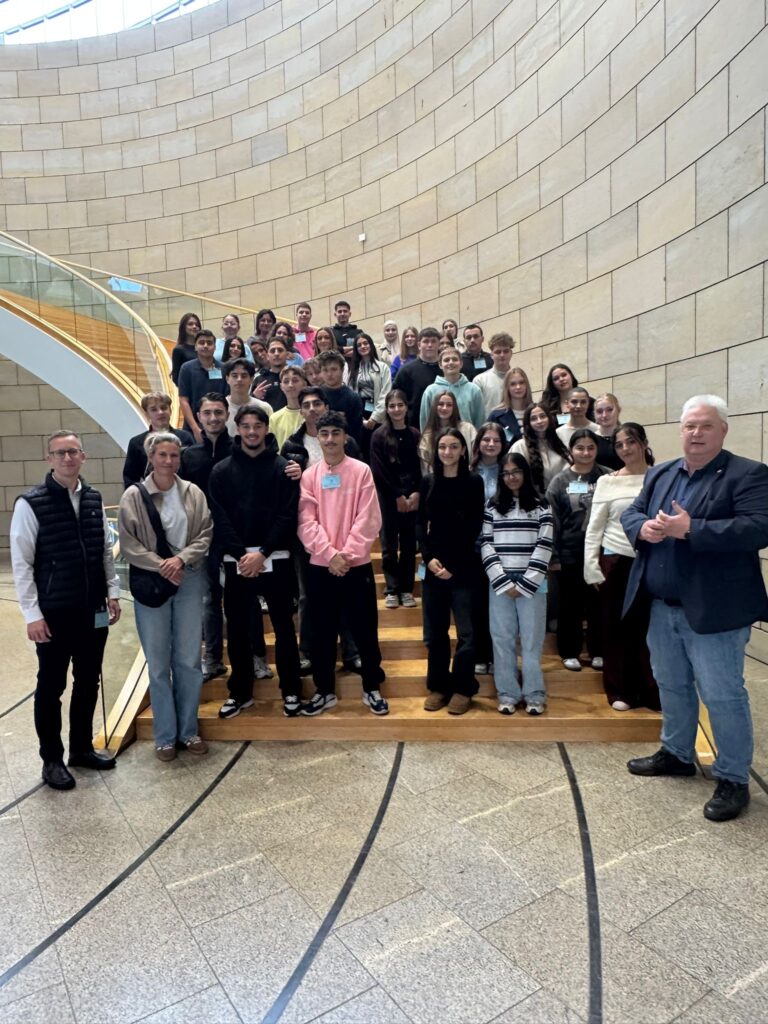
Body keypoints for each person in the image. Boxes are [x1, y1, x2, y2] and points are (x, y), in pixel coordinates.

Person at [622, 396, 768, 822]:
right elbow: (632, 513)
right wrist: (643, 528)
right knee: (672, 685)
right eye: (689, 426)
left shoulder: (749, 474)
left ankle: (732, 777)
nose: (696, 434)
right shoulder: (663, 473)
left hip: (714, 612)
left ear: (723, 430)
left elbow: (759, 528)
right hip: (662, 606)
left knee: (722, 695)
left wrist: (693, 529)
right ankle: (677, 752)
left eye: (705, 426)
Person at [10, 431, 121, 789]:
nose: (68, 458)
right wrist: (32, 614)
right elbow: (22, 563)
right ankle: (52, 759)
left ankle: (81, 749)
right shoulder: (31, 503)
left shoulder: (93, 498)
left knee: (89, 681)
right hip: (54, 613)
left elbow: (105, 551)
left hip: (93, 610)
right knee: (52, 687)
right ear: (50, 459)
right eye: (61, 453)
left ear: (83, 456)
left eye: (73, 451)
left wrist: (113, 592)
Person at [118, 433, 211, 760]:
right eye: (162, 455)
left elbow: (205, 534)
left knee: (187, 660)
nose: (169, 461)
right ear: (151, 457)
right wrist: (162, 565)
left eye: (174, 455)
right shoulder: (133, 496)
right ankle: (165, 736)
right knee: (158, 664)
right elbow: (129, 544)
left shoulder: (193, 493)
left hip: (188, 579)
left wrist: (180, 560)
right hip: (153, 583)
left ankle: (189, 730)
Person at [208, 407, 303, 718]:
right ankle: (241, 692)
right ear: (238, 429)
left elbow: (288, 515)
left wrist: (262, 553)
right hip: (237, 561)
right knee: (236, 630)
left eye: (257, 426)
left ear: (266, 429)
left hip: (275, 558)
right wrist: (241, 555)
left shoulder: (283, 468)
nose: (251, 432)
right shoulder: (221, 471)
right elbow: (218, 517)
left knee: (284, 629)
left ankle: (291, 690)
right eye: (246, 426)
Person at [297, 411, 388, 716]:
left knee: (364, 629)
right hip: (322, 566)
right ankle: (324, 691)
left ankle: (372, 688)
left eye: (336, 433)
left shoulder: (361, 472)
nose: (330, 439)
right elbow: (306, 521)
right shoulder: (310, 476)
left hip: (355, 564)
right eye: (324, 434)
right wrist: (329, 554)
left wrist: (345, 555)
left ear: (345, 436)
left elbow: (369, 517)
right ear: (317, 437)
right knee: (322, 632)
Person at [282, 387, 362, 675]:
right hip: (309, 535)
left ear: (327, 406)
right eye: (306, 405)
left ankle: (351, 652)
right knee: (307, 597)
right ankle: (308, 652)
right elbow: (288, 492)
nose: (312, 408)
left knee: (346, 596)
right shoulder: (292, 445)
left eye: (317, 403)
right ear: (300, 410)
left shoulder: (348, 442)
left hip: (342, 533)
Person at [584, 423, 659, 712]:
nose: (625, 449)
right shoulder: (608, 481)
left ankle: (652, 691)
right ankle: (620, 691)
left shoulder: (660, 476)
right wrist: (591, 566)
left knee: (651, 631)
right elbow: (595, 527)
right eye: (619, 445)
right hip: (615, 561)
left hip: (651, 561)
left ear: (643, 442)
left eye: (631, 442)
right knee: (615, 629)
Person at [417, 428, 485, 714]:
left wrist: (453, 568)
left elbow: (473, 526)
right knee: (436, 632)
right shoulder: (429, 481)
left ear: (463, 450)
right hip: (434, 566)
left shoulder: (474, 482)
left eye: (453, 446)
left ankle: (462, 687)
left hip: (464, 567)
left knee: (467, 634)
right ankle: (439, 686)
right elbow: (420, 524)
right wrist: (429, 558)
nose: (447, 452)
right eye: (443, 447)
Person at [482, 452, 554, 715]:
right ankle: (508, 693)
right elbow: (486, 544)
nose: (511, 477)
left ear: (525, 473)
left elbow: (544, 544)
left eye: (516, 472)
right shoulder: (492, 506)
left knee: (532, 641)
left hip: (532, 584)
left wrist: (525, 583)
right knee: (502, 639)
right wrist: (501, 580)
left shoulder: (541, 505)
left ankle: (534, 694)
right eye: (506, 473)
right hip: (499, 583)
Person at [179, 394, 233, 682]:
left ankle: (249, 655)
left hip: (235, 537)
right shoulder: (187, 456)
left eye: (218, 412)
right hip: (201, 539)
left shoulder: (238, 450)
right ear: (198, 416)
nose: (213, 418)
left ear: (227, 415)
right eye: (208, 413)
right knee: (209, 599)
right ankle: (213, 657)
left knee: (241, 599)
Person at [546, 428, 609, 671]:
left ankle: (598, 651)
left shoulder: (607, 476)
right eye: (579, 448)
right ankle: (569, 651)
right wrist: (554, 555)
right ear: (571, 450)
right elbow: (553, 521)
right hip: (569, 553)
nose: (585, 452)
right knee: (569, 606)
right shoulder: (560, 481)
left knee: (598, 604)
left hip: (601, 554)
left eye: (590, 447)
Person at [370, 390, 421, 610]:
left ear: (406, 407)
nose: (396, 409)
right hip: (389, 497)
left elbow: (421, 467)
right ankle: (392, 588)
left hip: (413, 497)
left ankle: (406, 589)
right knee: (389, 545)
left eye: (400, 405)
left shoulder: (415, 434)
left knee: (410, 545)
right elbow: (379, 470)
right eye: (392, 406)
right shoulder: (379, 435)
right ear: (387, 409)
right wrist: (397, 495)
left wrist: (417, 493)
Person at [469, 422, 509, 675]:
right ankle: (480, 654)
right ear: (479, 443)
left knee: (501, 605)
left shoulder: (510, 470)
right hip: (474, 546)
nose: (491, 444)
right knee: (478, 605)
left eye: (496, 440)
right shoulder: (468, 469)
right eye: (486, 440)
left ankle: (499, 657)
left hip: (503, 546)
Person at [122, 392, 193, 488]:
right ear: (147, 414)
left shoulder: (185, 437)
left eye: (164, 408)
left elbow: (193, 469)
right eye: (153, 409)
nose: (160, 412)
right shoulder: (136, 442)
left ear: (170, 410)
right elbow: (130, 478)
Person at [419, 345, 485, 431]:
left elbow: (480, 421)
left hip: (467, 440)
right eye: (446, 360)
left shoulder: (474, 390)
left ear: (461, 363)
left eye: (455, 359)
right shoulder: (430, 391)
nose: (451, 362)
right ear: (440, 365)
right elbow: (425, 422)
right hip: (438, 442)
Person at [511, 403, 571, 495]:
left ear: (549, 418)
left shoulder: (562, 438)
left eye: (542, 416)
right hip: (537, 500)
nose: (539, 421)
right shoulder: (520, 446)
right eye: (533, 418)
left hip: (566, 496)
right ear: (528, 423)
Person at [177, 330, 227, 441]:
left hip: (219, 427)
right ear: (195, 347)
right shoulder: (186, 368)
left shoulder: (223, 368)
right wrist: (195, 429)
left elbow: (227, 398)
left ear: (214, 347)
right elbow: (183, 400)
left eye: (209, 343)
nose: (205, 346)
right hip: (192, 429)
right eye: (201, 342)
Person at [349, 333, 392, 457]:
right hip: (360, 411)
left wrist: (375, 417)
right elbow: (351, 392)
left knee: (378, 450)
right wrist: (359, 416)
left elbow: (386, 393)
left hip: (378, 411)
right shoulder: (354, 369)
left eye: (365, 343)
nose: (363, 346)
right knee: (362, 449)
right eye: (359, 345)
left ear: (371, 345)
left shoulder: (383, 367)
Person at [419, 391, 477, 474]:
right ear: (435, 406)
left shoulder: (468, 429)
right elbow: (426, 468)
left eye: (449, 405)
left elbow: (475, 458)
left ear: (455, 408)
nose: (444, 408)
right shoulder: (427, 436)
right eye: (441, 404)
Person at [393, 327, 441, 426]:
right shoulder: (406, 371)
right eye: (426, 341)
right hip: (414, 425)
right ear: (419, 345)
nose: (430, 345)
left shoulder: (446, 369)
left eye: (433, 341)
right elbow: (396, 398)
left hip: (443, 424)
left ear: (439, 344)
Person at [317, 349, 363, 440]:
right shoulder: (315, 395)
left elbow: (355, 433)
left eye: (334, 369)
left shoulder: (353, 398)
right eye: (325, 370)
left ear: (342, 370)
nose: (329, 374)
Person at [223, 357, 272, 435]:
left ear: (252, 379)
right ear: (227, 379)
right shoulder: (220, 408)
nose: (239, 379)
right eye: (235, 376)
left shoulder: (264, 408)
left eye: (244, 376)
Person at [473, 333, 514, 416]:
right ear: (491, 355)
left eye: (506, 351)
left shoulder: (519, 379)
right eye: (498, 352)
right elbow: (475, 412)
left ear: (511, 353)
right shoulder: (480, 380)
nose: (502, 355)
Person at [488, 367, 533, 444]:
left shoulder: (535, 411)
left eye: (521, 382)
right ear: (507, 388)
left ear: (526, 385)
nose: (518, 387)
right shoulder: (496, 416)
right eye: (513, 384)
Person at [269, 365, 308, 450]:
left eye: (295, 381)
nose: (290, 385)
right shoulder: (274, 418)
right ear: (281, 386)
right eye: (286, 381)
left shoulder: (311, 414)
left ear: (304, 384)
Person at [252, 338, 290, 411]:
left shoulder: (297, 377)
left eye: (280, 350)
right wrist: (255, 397)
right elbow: (250, 407)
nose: (276, 354)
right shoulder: (259, 379)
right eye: (272, 351)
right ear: (267, 356)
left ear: (287, 354)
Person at [593, 393, 624, 470]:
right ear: (594, 414)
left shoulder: (629, 436)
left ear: (618, 410)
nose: (604, 415)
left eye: (609, 410)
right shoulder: (591, 439)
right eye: (599, 411)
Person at [171, 312, 201, 385]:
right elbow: (176, 377)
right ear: (183, 327)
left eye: (197, 325)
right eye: (190, 324)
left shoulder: (204, 347)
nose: (194, 326)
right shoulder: (178, 350)